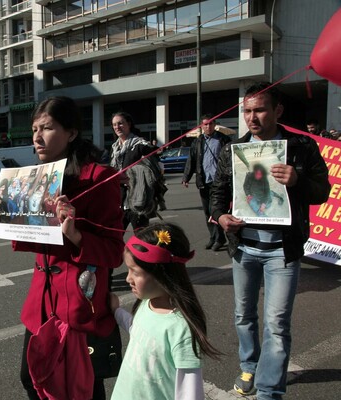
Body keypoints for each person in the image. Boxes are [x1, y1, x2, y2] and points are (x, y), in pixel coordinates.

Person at [0, 96, 124, 399]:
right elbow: (34, 239)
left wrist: (76, 235)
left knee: (83, 384)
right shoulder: (35, 179)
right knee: (33, 377)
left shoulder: (99, 178)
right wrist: (5, 216)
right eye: (35, 129)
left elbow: (114, 252)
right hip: (42, 302)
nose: (37, 137)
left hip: (77, 301)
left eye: (47, 128)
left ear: (72, 133)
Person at [210, 82, 331, 399]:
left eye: (259, 109)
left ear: (277, 110)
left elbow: (323, 191)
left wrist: (298, 179)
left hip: (283, 252)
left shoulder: (300, 146)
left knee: (277, 324)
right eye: (247, 111)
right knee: (243, 316)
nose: (252, 117)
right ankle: (249, 365)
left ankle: (269, 390)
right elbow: (218, 196)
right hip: (243, 249)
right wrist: (222, 217)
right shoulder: (232, 150)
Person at [109, 222, 221, 400]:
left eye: (134, 272)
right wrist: (117, 311)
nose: (128, 278)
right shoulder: (147, 304)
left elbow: (189, 393)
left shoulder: (180, 329)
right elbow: (139, 331)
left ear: (162, 274)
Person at [182, 113, 231, 252]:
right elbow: (191, 160)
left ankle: (220, 238)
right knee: (208, 212)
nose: (208, 126)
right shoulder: (197, 141)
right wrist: (186, 177)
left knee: (218, 211)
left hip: (220, 183)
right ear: (201, 126)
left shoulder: (223, 139)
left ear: (215, 124)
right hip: (204, 182)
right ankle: (213, 237)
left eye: (210, 123)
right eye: (205, 124)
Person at [109, 111, 153, 231]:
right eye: (114, 125)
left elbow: (153, 168)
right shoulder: (114, 148)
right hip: (119, 201)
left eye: (120, 123)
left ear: (128, 124)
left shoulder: (140, 145)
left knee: (142, 238)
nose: (117, 127)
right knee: (114, 238)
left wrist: (131, 178)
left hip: (137, 200)